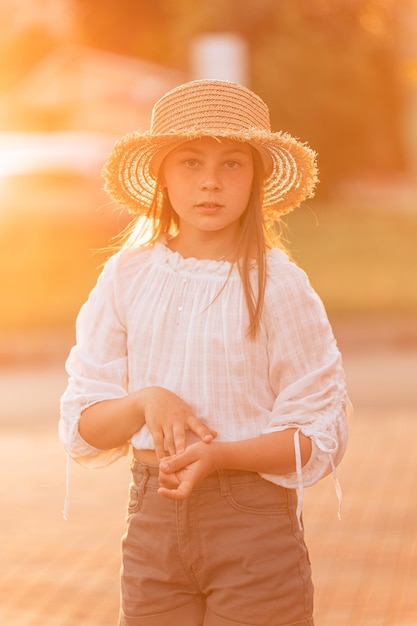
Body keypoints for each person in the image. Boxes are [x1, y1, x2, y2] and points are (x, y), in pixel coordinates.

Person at [59, 79, 350, 626]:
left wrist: (220, 455)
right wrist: (147, 401)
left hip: (253, 526)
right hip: (151, 520)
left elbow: (317, 437)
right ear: (161, 175)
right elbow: (85, 425)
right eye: (190, 163)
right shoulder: (126, 276)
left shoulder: (280, 285)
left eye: (232, 164)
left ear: (257, 177)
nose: (211, 182)